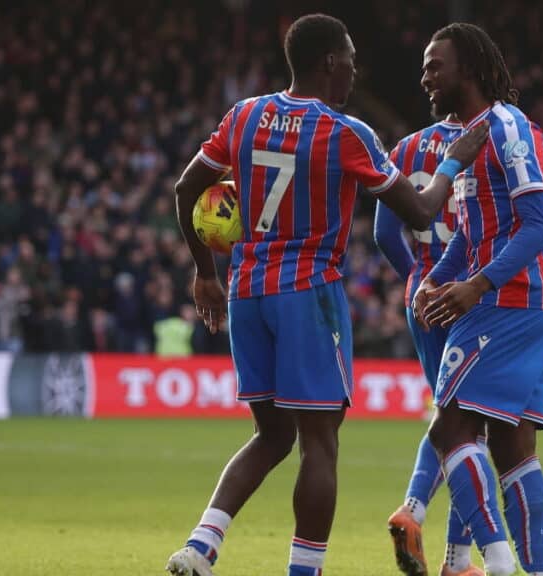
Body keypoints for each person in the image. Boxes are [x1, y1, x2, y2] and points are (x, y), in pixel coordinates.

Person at [164, 14, 487, 576]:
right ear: (330, 62)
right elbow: (420, 211)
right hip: (308, 292)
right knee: (320, 443)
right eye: (352, 61)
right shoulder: (345, 132)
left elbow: (187, 186)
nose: (356, 72)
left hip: (246, 291)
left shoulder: (244, 115)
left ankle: (201, 545)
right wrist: (455, 158)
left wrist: (204, 273)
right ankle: (304, 571)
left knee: (271, 435)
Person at [411, 23, 543, 576]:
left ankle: (497, 561)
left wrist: (477, 284)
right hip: (521, 303)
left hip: (511, 303)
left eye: (435, 66)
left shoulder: (509, 128)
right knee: (512, 449)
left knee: (449, 430)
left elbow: (539, 225)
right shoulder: (469, 139)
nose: (425, 77)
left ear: (469, 70)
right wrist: (434, 278)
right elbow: (471, 234)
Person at [374, 114, 487, 576]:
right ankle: (441, 541)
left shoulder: (406, 146)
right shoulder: (492, 138)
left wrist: (420, 282)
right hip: (473, 296)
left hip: (422, 299)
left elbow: (385, 233)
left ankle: (450, 552)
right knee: (472, 428)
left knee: (450, 415)